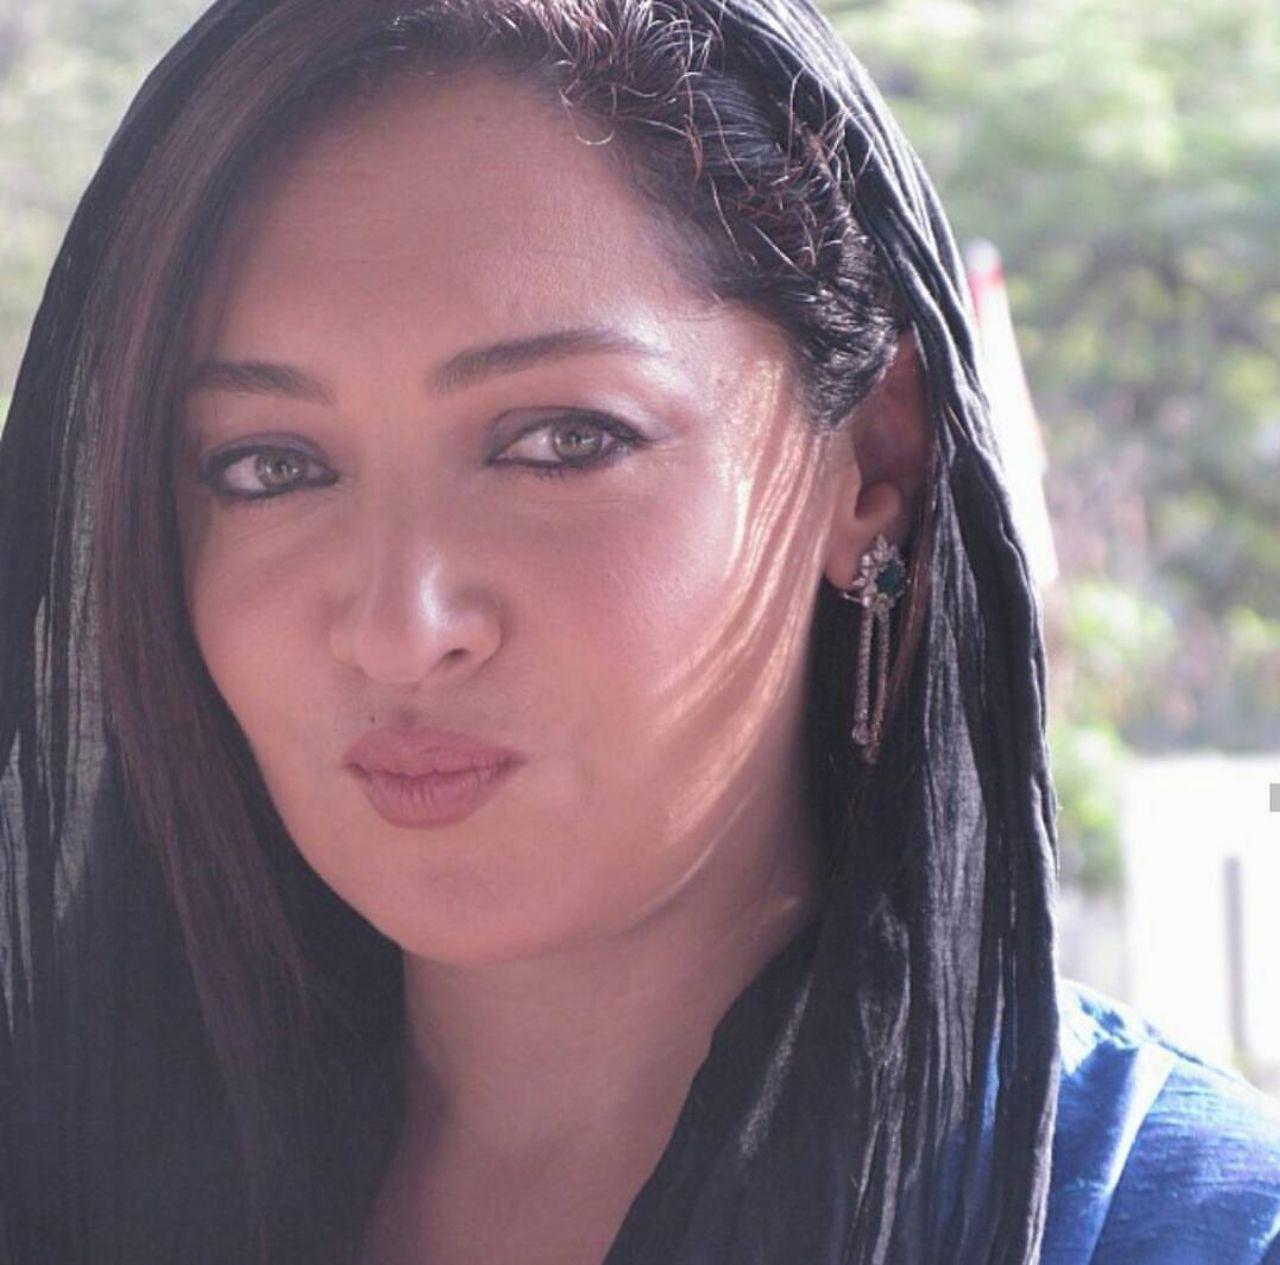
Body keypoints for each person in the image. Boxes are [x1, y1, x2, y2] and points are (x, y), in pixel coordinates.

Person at [0, 2, 1277, 1262]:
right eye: (271, 466)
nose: (399, 629)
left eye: (562, 442)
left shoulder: (1178, 1228)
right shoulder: (73, 1183)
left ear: (873, 462)